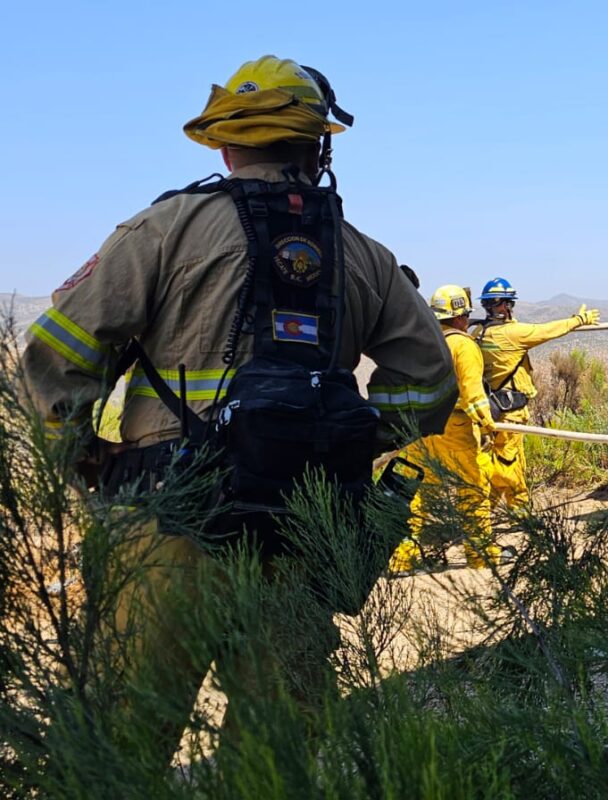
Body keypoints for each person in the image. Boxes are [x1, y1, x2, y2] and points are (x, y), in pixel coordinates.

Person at [19, 55, 456, 761]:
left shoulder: (163, 229)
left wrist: (83, 456)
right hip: (301, 525)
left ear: (225, 145)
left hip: (166, 522)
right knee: (278, 756)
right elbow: (430, 381)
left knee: (121, 745)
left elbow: (56, 354)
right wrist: (348, 440)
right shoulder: (365, 256)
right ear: (317, 148)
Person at [389, 285, 506, 572]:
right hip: (453, 428)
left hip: (417, 426)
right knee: (472, 489)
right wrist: (488, 426)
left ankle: (400, 558)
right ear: (460, 317)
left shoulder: (417, 342)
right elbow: (474, 395)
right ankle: (480, 555)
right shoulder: (463, 345)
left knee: (415, 493)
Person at [473, 278, 599, 508]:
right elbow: (548, 330)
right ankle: (517, 507)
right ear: (505, 305)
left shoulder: (479, 332)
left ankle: (487, 507)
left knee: (498, 457)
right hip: (511, 412)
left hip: (490, 408)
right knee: (509, 461)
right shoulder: (513, 333)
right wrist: (580, 320)